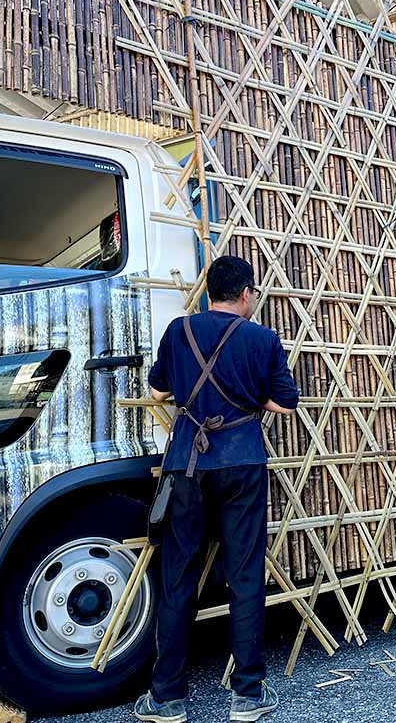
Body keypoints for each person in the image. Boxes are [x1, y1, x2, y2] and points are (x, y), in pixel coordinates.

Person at [134, 256, 299, 723]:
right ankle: (247, 694)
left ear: (208, 292)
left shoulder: (179, 332)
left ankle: (167, 698)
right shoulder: (262, 338)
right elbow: (285, 404)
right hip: (243, 460)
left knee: (178, 575)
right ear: (246, 294)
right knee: (244, 575)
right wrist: (249, 396)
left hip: (187, 462)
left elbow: (159, 391)